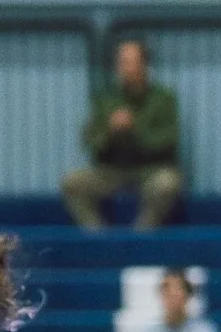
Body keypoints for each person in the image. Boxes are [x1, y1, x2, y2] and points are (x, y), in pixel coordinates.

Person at [61, 39, 183, 231]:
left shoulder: (164, 98)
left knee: (168, 183)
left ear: (144, 65)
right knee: (72, 182)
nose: (124, 68)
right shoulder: (105, 99)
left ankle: (141, 235)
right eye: (121, 62)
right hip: (111, 170)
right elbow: (91, 142)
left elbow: (168, 140)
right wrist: (111, 131)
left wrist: (135, 129)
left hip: (150, 170)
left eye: (129, 62)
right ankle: (98, 237)